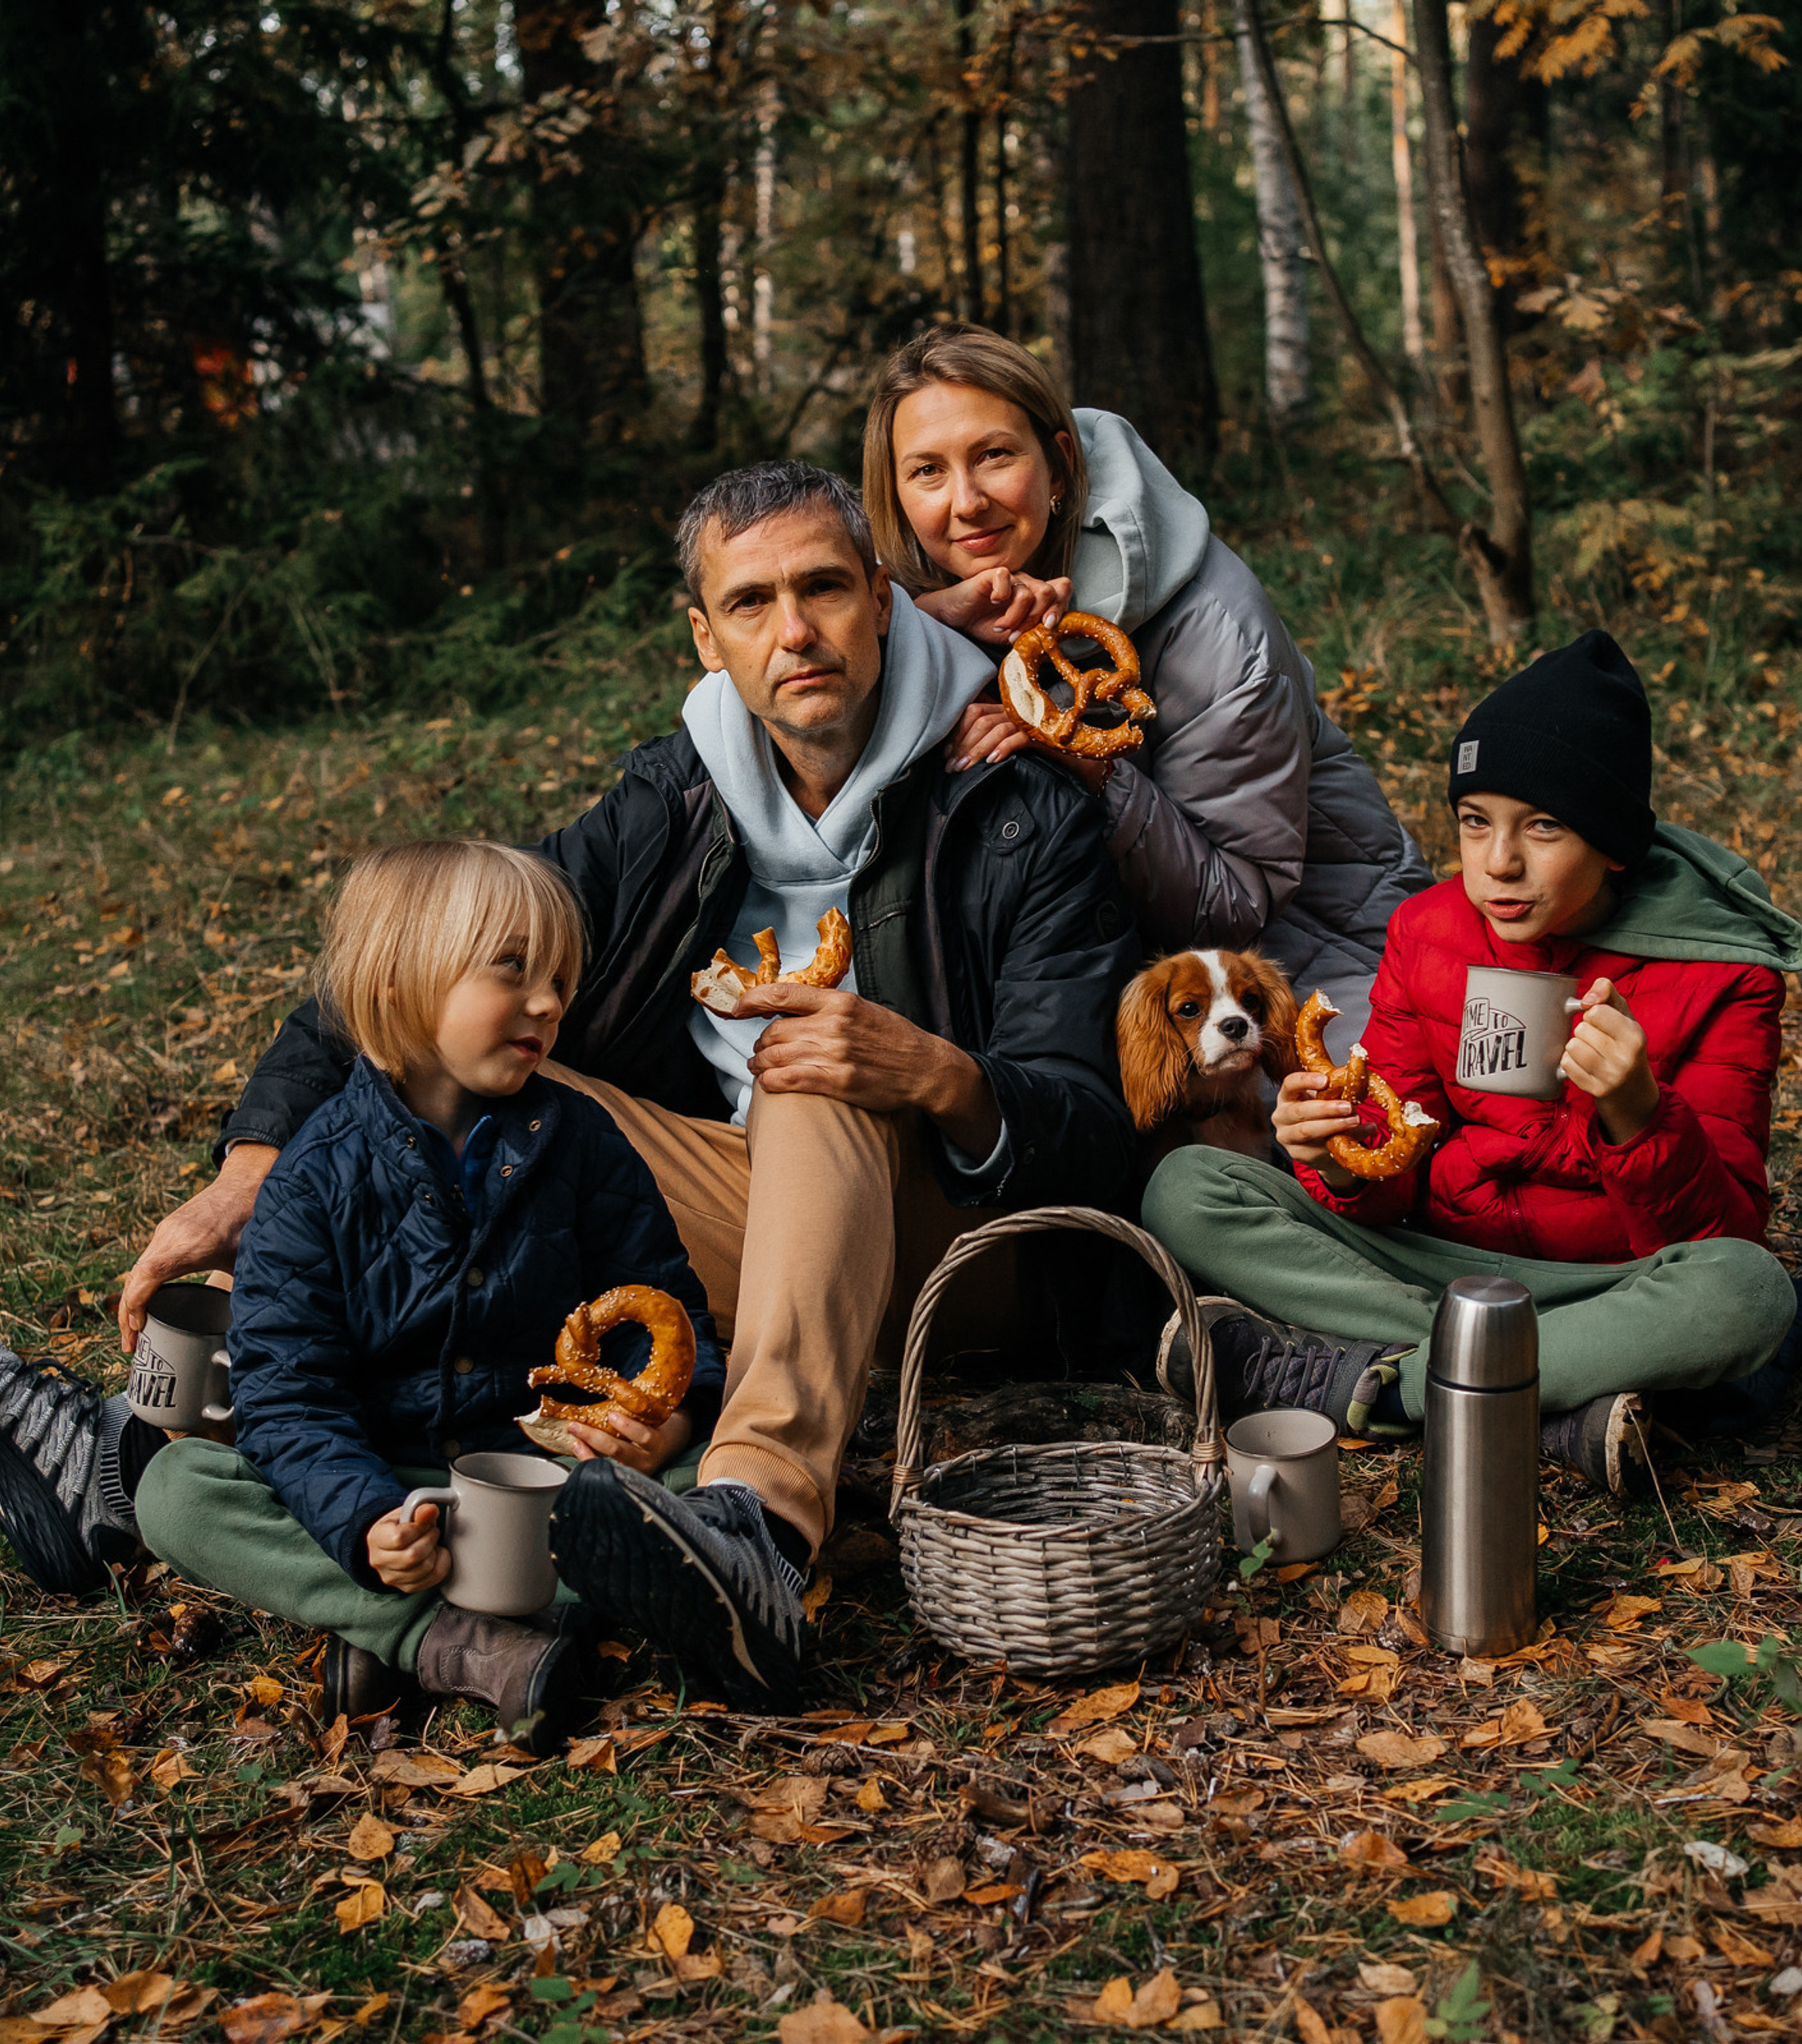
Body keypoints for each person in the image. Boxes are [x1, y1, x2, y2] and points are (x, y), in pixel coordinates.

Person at [97, 461, 1138, 1711]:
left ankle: (754, 1524)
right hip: (734, 1217)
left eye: (823, 589)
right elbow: (420, 971)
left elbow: (1086, 1123)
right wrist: (252, 1165)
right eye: (750, 605)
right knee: (492, 1035)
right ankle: (400, 1474)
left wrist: (929, 1067)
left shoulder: (1018, 800)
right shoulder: (676, 799)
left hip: (957, 1246)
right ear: (708, 639)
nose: (793, 632)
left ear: (881, 596)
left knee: (807, 1065)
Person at [4, 842, 722, 1750]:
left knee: (716, 1478)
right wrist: (363, 1520)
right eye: (513, 969)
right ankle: (449, 1638)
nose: (548, 1001)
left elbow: (659, 1308)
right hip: (389, 1487)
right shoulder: (310, 1182)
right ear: (399, 987)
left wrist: (668, 1420)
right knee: (179, 1491)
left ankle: (383, 1633)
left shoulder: (582, 1142)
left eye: (559, 977)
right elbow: (288, 1397)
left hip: (537, 1476)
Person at [1141, 632, 1802, 1495]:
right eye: (1476, 823)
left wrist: (1636, 1110)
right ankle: (1543, 1391)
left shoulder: (1724, 972)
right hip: (1437, 1262)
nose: (1498, 864)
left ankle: (1385, 1386)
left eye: (1542, 826)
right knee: (1188, 1188)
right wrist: (1337, 1161)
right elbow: (1392, 1165)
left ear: (1613, 840)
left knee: (1750, 1293)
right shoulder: (1427, 930)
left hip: (1610, 1289)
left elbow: (1719, 1236)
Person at [863, 323, 1432, 1040]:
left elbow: (1242, 903)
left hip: (1303, 975)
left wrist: (1084, 760)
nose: (967, 500)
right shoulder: (904, 607)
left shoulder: (1213, 621)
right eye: (926, 472)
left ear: (1061, 464)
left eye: (995, 455)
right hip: (1084, 975)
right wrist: (926, 633)